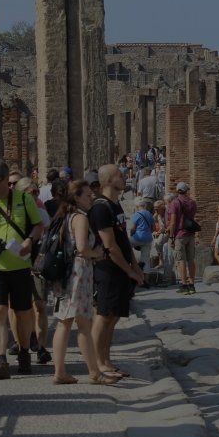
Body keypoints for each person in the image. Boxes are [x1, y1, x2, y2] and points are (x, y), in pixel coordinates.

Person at [0, 159, 44, 379]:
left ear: (6, 180)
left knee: (23, 313)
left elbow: (38, 225)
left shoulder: (24, 199)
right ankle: (0, 361)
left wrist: (29, 242)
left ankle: (24, 352)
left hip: (20, 265)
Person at [46, 180, 119, 386]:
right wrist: (96, 254)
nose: (91, 197)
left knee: (64, 322)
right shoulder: (80, 218)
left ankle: (60, 371)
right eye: (87, 195)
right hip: (78, 272)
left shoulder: (65, 215)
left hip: (66, 274)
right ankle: (94, 373)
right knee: (83, 324)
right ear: (76, 197)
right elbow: (81, 247)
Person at [90, 163, 145, 379]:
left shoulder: (116, 206)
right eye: (119, 175)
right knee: (103, 316)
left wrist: (134, 267)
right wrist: (129, 271)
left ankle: (106, 360)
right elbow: (110, 246)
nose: (123, 177)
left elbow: (123, 241)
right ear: (109, 180)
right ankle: (97, 364)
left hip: (121, 270)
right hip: (107, 270)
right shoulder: (100, 208)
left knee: (113, 317)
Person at [6, 177, 52, 365]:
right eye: (30, 192)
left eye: (36, 192)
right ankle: (20, 343)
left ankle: (41, 347)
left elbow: (48, 236)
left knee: (40, 305)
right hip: (16, 261)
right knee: (16, 306)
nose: (34, 195)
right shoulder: (12, 213)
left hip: (37, 263)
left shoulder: (41, 212)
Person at [168, 181, 198, 295]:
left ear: (177, 190)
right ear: (187, 190)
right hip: (190, 234)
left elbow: (173, 221)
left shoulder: (175, 202)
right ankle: (192, 284)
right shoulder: (192, 202)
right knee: (191, 260)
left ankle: (184, 285)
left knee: (180, 260)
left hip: (180, 234)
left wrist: (171, 236)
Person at [128, 198, 154, 267]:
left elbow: (133, 229)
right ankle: (145, 277)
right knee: (146, 260)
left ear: (137, 206)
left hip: (138, 237)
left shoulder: (136, 214)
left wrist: (131, 236)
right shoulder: (150, 214)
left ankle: (130, 263)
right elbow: (153, 229)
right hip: (148, 239)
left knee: (126, 245)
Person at [150, 199, 169, 270]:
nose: (156, 211)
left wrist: (161, 231)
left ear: (162, 208)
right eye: (155, 209)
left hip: (170, 231)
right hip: (164, 231)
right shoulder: (158, 214)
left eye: (157, 209)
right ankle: (161, 261)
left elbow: (169, 225)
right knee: (156, 243)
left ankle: (162, 261)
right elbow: (158, 225)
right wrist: (157, 232)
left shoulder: (167, 212)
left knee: (158, 243)